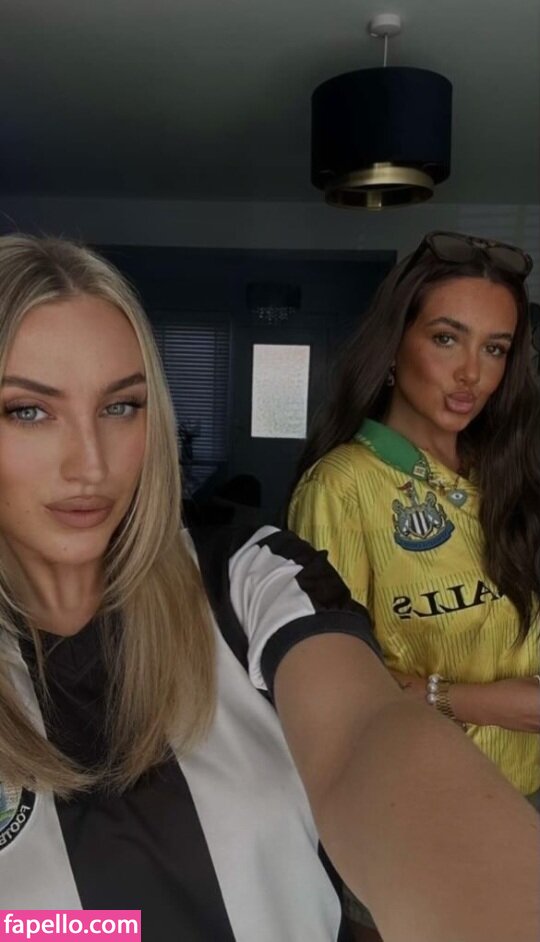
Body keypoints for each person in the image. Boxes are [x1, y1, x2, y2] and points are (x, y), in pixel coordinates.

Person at [0, 234, 538, 942]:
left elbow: (363, 731)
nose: (90, 465)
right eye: (28, 411)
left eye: (121, 406)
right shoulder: (344, 487)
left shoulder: (251, 577)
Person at [288, 230, 540, 940]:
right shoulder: (342, 488)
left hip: (526, 796)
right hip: (416, 813)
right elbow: (326, 698)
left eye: (496, 348)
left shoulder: (512, 473)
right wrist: (480, 701)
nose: (473, 374)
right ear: (395, 347)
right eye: (447, 339)